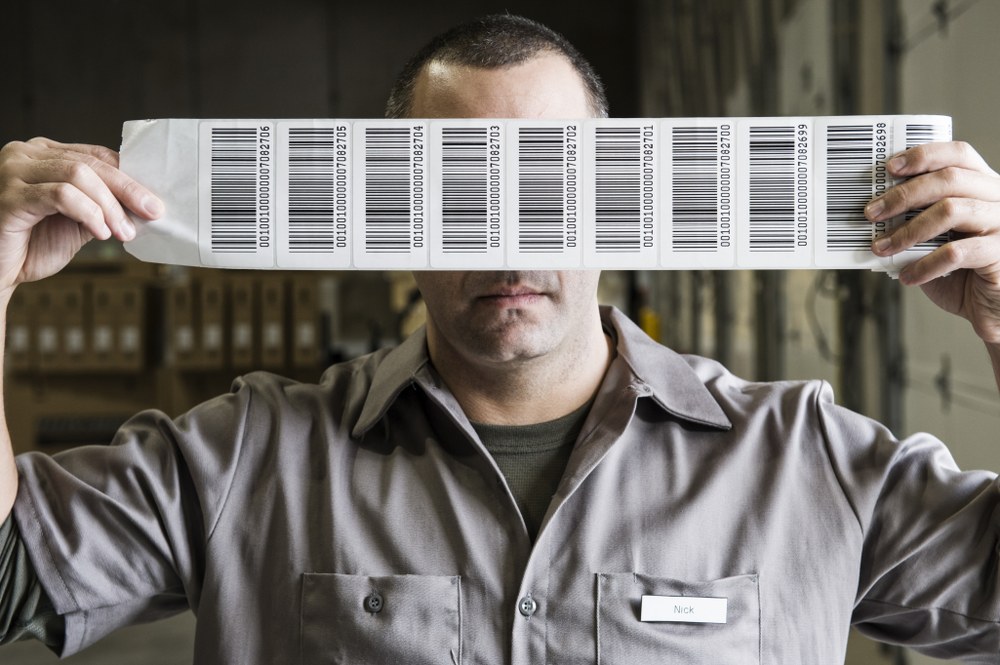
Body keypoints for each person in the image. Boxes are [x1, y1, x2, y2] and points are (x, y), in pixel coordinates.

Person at [2, 12, 1000, 664]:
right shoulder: (247, 454)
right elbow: (15, 572)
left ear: (617, 205)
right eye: (455, 192)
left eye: (551, 188)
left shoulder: (807, 460)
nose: (509, 235)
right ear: (387, 214)